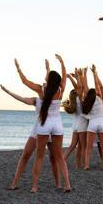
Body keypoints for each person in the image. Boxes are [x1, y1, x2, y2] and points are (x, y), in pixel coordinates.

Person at [2, 59, 61, 190]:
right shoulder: (43, 96)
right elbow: (22, 99)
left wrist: (18, 69)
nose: (45, 77)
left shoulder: (43, 91)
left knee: (52, 158)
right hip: (43, 128)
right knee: (26, 155)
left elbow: (25, 82)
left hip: (45, 128)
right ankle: (15, 183)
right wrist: (9, 92)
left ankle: (56, 183)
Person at [30, 54, 72, 193]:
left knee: (40, 156)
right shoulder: (61, 89)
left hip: (45, 124)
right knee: (59, 156)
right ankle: (67, 185)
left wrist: (47, 69)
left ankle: (35, 186)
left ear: (49, 79)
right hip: (57, 124)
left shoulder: (44, 90)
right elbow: (64, 75)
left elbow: (46, 79)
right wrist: (62, 62)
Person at [81, 65, 103, 171]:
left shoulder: (89, 100)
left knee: (89, 147)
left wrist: (84, 74)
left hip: (92, 123)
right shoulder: (100, 99)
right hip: (101, 123)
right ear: (96, 93)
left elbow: (85, 86)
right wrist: (94, 73)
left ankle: (87, 165)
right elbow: (98, 85)